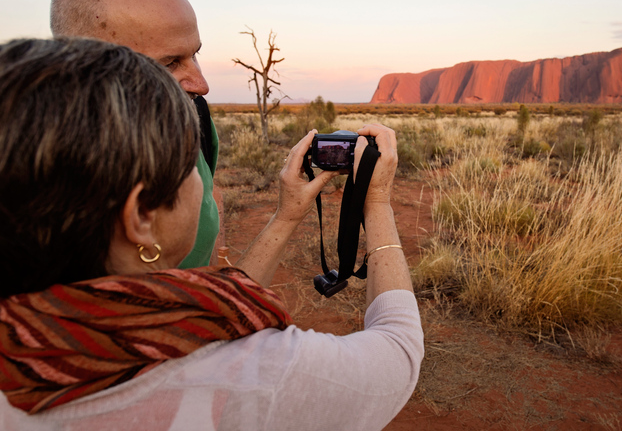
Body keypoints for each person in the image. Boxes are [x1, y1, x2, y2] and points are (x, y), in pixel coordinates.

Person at [0, 38, 423, 430]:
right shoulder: (247, 376)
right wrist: (377, 202)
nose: (203, 182)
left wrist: (287, 215)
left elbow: (225, 312)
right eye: (190, 166)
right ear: (142, 216)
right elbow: (397, 354)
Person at [50, 0, 224, 269]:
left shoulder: (193, 117)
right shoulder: (28, 172)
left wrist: (286, 214)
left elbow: (208, 259)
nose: (201, 85)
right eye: (170, 63)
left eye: (194, 54)